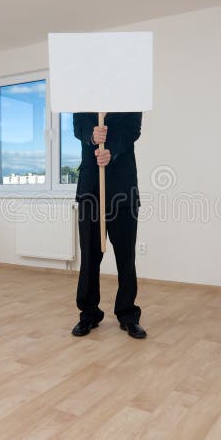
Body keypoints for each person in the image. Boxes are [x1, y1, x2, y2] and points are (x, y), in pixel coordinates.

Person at [71, 112, 146, 339]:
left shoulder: (129, 95)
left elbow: (133, 129)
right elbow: (78, 126)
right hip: (91, 188)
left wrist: (110, 149)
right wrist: (92, 136)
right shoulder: (83, 94)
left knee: (126, 256)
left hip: (123, 187)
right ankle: (89, 314)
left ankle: (128, 315)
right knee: (89, 255)